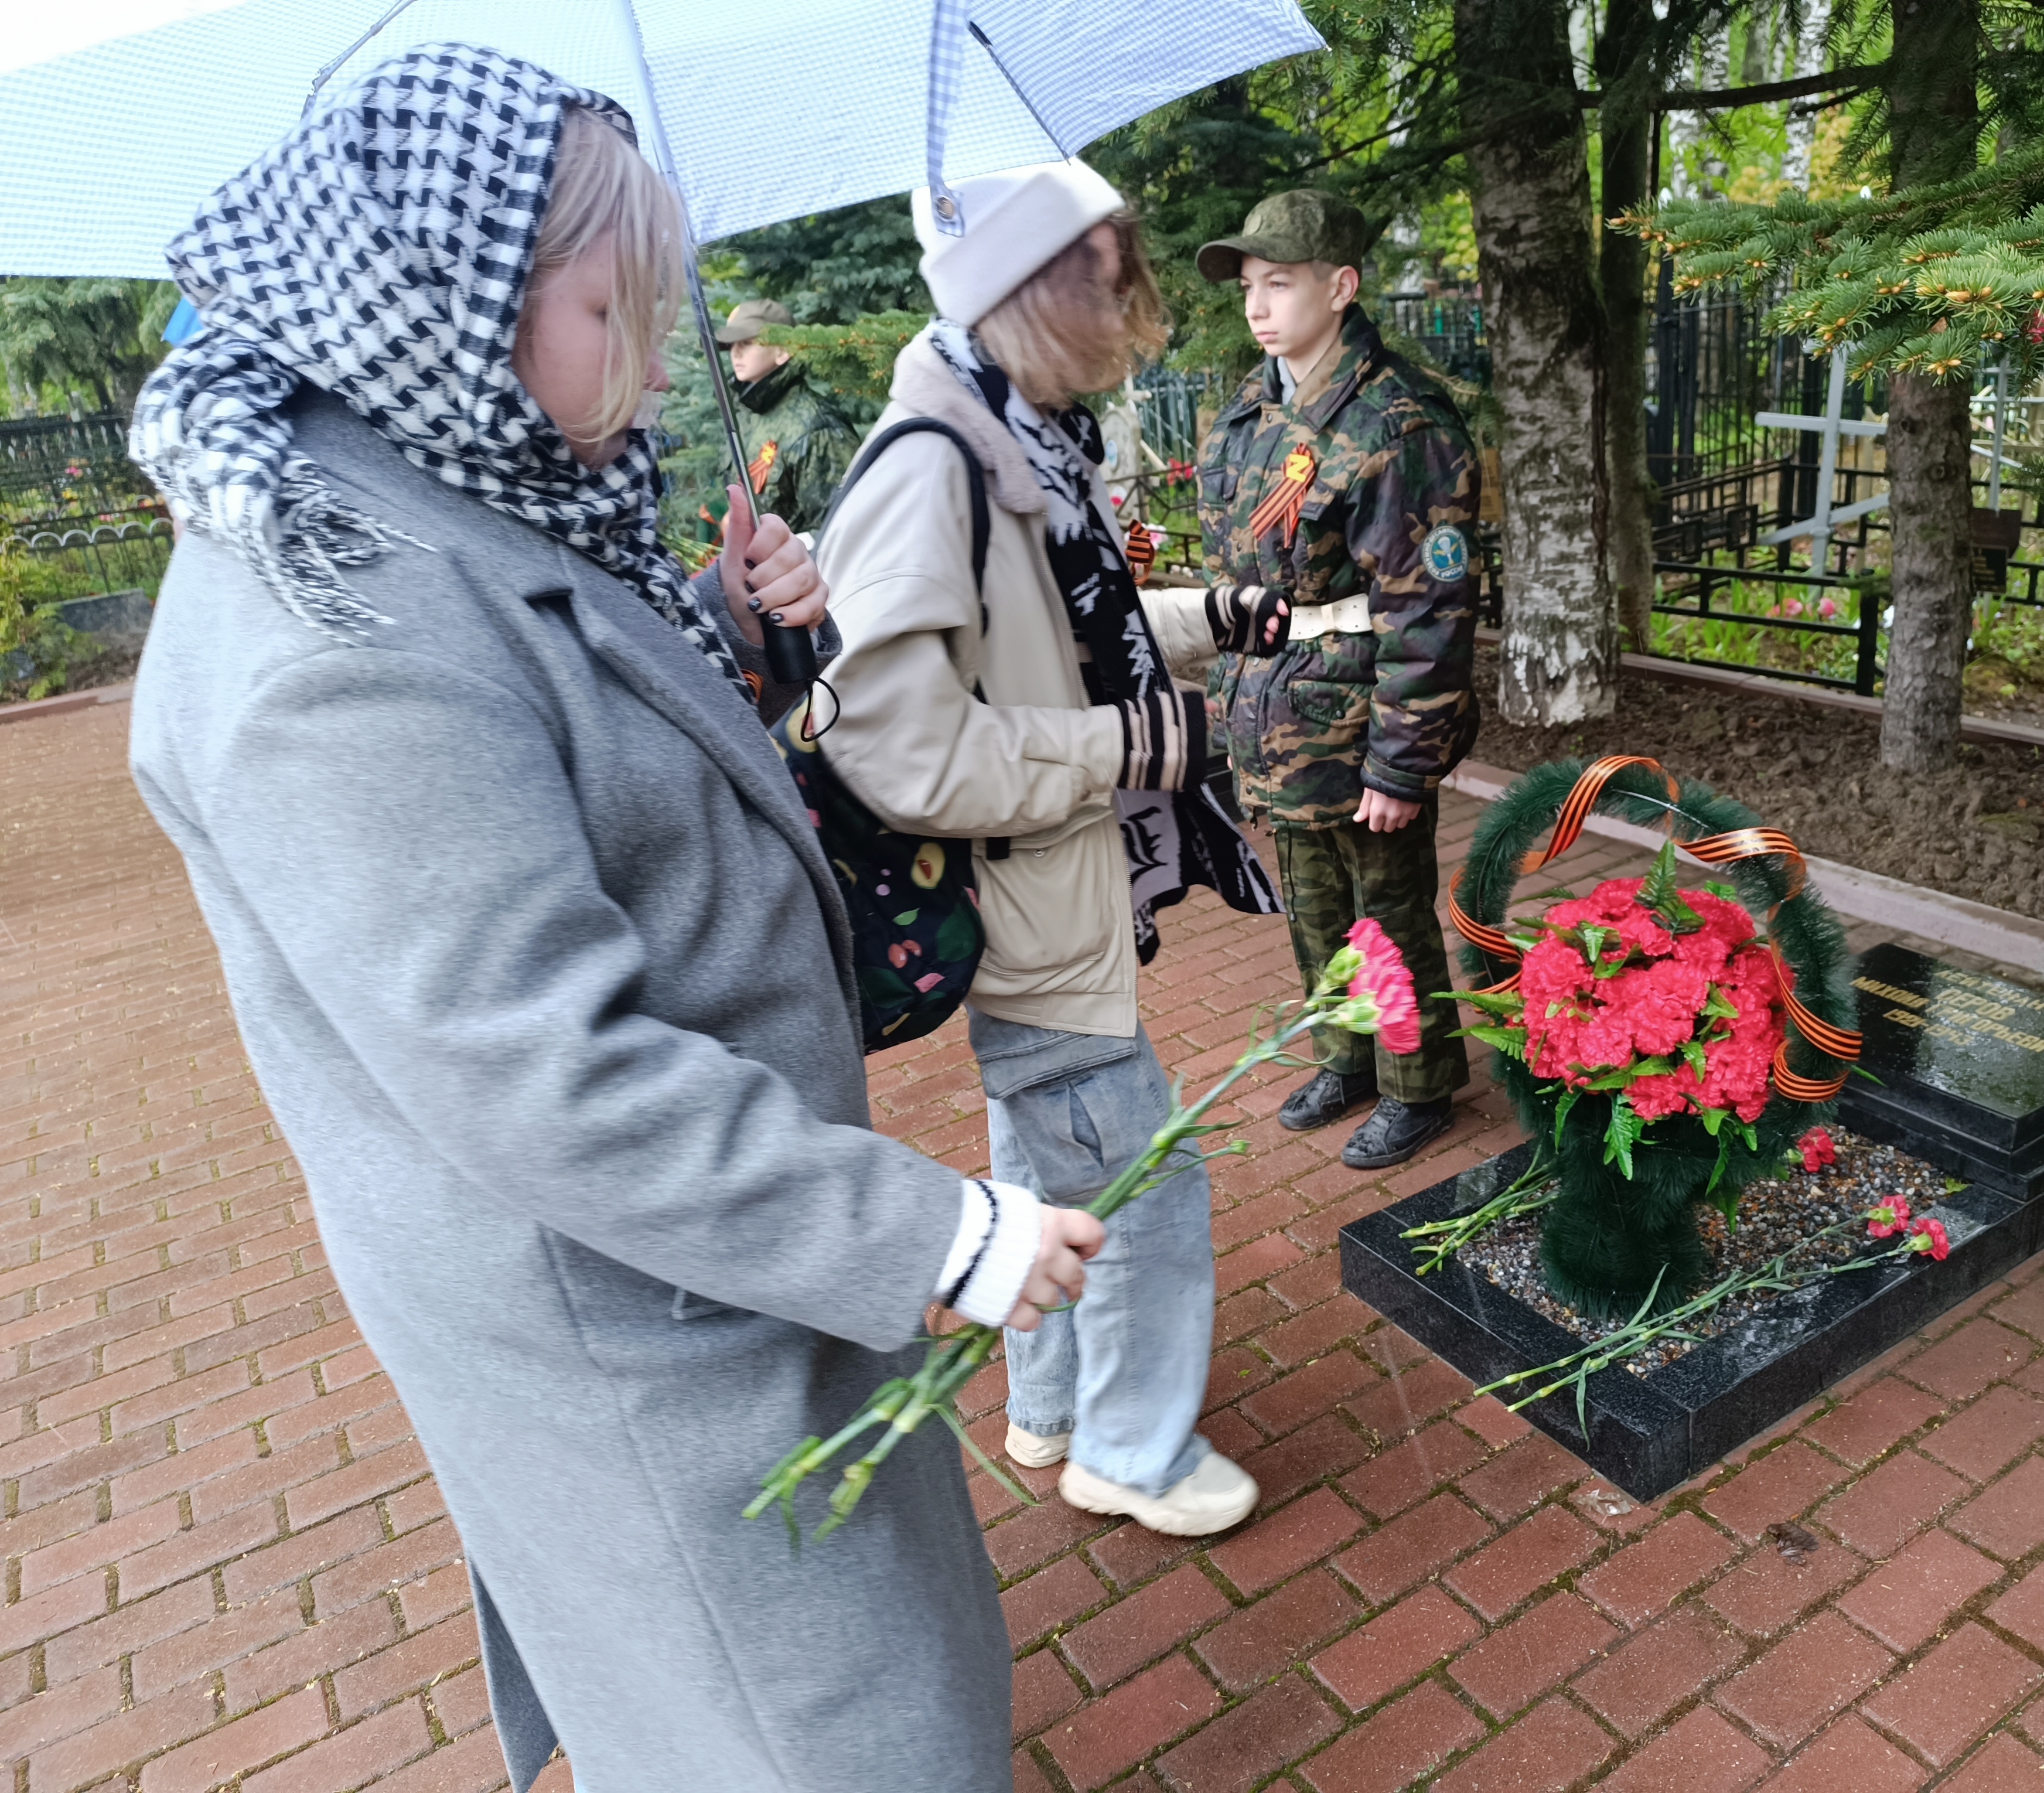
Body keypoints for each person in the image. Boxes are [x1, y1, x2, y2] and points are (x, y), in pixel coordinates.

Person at [122, 49, 1093, 1792]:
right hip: (641, 1298)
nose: (648, 362)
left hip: (706, 1250)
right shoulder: (332, 624)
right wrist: (931, 1240)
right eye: (607, 306)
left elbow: (552, 737)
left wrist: (720, 626)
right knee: (809, 1729)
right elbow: (535, 1068)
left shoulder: (426, 488)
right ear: (458, 289)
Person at [761, 161, 1284, 1538]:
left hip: (1046, 899)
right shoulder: (933, 468)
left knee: (1056, 1174)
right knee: (1142, 1186)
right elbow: (905, 749)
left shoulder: (1014, 443)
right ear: (1037, 295)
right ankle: (1132, 1449)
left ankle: (1048, 1410)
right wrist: (1132, 749)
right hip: (1025, 910)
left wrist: (1209, 621)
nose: (1134, 319)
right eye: (1110, 288)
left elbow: (1052, 640)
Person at [1192, 190, 1481, 1170]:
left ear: (1342, 286)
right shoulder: (1255, 410)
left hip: (1359, 718)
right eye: (1248, 287)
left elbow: (1430, 610)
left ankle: (1418, 1080)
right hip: (1278, 711)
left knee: (1384, 909)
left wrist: (1402, 766)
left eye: (1279, 284)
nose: (1257, 306)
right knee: (1313, 903)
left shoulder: (1400, 425)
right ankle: (1346, 1055)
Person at [709, 296, 859, 536]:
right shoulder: (746, 415)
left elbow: (842, 531)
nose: (736, 353)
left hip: (799, 570)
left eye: (747, 343)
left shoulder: (817, 427)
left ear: (783, 351)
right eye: (732, 344)